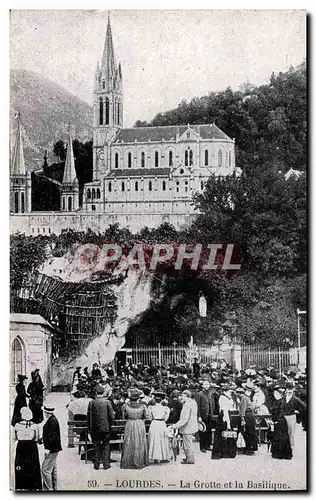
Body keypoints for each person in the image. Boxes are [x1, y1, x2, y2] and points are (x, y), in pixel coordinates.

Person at [14, 407, 42, 490]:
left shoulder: (17, 425)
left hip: (21, 446)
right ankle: (33, 486)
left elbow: (14, 438)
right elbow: (36, 438)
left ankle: (21, 485)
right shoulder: (35, 426)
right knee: (32, 465)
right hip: (31, 446)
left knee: (20, 465)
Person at [87, 385, 115, 470]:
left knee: (96, 445)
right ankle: (106, 464)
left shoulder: (92, 402)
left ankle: (96, 464)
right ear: (103, 393)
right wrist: (110, 424)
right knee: (106, 445)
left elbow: (89, 416)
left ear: (96, 393)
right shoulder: (107, 402)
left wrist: (90, 427)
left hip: (95, 428)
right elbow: (111, 416)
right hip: (106, 428)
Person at [120, 389, 149, 469]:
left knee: (129, 441)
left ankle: (128, 461)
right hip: (139, 424)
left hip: (130, 423)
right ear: (138, 398)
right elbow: (145, 416)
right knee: (139, 442)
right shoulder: (143, 406)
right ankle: (139, 460)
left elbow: (124, 417)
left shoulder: (125, 406)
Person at [212, 384, 238, 459]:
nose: (230, 393)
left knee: (225, 434)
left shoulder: (228, 398)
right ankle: (221, 452)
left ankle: (226, 452)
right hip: (224, 416)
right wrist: (228, 422)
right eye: (229, 391)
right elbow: (225, 410)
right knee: (222, 434)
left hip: (227, 415)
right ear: (225, 391)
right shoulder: (223, 398)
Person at [173, 390, 198, 465]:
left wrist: (175, 425)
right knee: (188, 443)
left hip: (187, 427)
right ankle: (189, 457)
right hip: (192, 426)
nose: (180, 397)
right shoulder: (193, 402)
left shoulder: (187, 405)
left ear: (187, 396)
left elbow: (184, 419)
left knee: (187, 444)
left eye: (182, 396)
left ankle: (190, 459)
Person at [42, 406, 62, 491]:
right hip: (55, 449)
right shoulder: (53, 420)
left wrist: (48, 448)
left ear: (47, 413)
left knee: (45, 469)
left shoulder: (52, 421)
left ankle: (48, 489)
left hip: (51, 449)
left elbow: (52, 437)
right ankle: (54, 487)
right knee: (53, 469)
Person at [268, 386, 292, 460]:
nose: (275, 395)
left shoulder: (281, 401)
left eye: (276, 393)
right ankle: (279, 454)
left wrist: (277, 420)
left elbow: (281, 412)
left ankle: (281, 454)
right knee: (279, 437)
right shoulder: (277, 401)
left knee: (281, 437)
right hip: (278, 421)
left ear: (279, 394)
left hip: (280, 421)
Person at [148, 391, 170, 463]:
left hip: (154, 423)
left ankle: (154, 458)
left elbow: (150, 417)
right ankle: (163, 457)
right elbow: (166, 418)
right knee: (162, 439)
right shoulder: (166, 408)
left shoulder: (151, 408)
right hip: (161, 424)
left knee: (154, 440)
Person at [283, 381, 306, 452]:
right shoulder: (283, 398)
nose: (289, 391)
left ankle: (291, 446)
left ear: (293, 390)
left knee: (291, 432)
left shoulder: (295, 399)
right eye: (288, 389)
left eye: (291, 389)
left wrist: (297, 411)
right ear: (285, 390)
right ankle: (284, 446)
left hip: (291, 417)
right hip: (283, 417)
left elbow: (304, 406)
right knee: (284, 432)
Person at [195, 380, 216, 452]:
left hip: (209, 415)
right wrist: (198, 416)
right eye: (205, 384)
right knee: (202, 431)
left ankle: (207, 445)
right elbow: (197, 406)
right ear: (202, 386)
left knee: (209, 431)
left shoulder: (210, 394)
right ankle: (202, 447)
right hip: (203, 415)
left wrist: (212, 413)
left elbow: (212, 404)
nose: (206, 386)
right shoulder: (199, 394)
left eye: (208, 384)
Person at [239, 382, 258, 455]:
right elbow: (242, 408)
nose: (249, 392)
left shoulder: (247, 397)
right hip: (247, 416)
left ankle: (250, 448)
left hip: (250, 415)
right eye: (248, 390)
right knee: (248, 432)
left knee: (251, 432)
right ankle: (247, 449)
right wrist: (242, 418)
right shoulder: (244, 397)